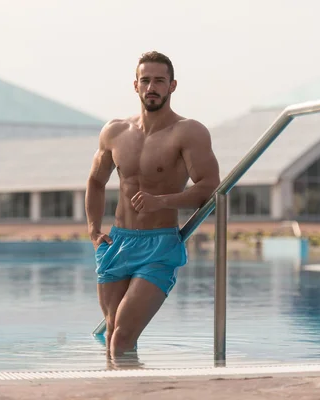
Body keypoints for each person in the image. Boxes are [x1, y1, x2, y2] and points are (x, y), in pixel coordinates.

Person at [84, 51, 221, 362]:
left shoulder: (189, 132)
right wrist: (94, 231)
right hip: (117, 242)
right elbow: (95, 182)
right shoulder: (115, 132)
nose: (152, 87)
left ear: (172, 86)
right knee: (111, 333)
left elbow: (208, 187)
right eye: (145, 80)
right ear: (135, 86)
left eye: (159, 81)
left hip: (159, 245)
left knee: (122, 337)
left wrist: (162, 201)